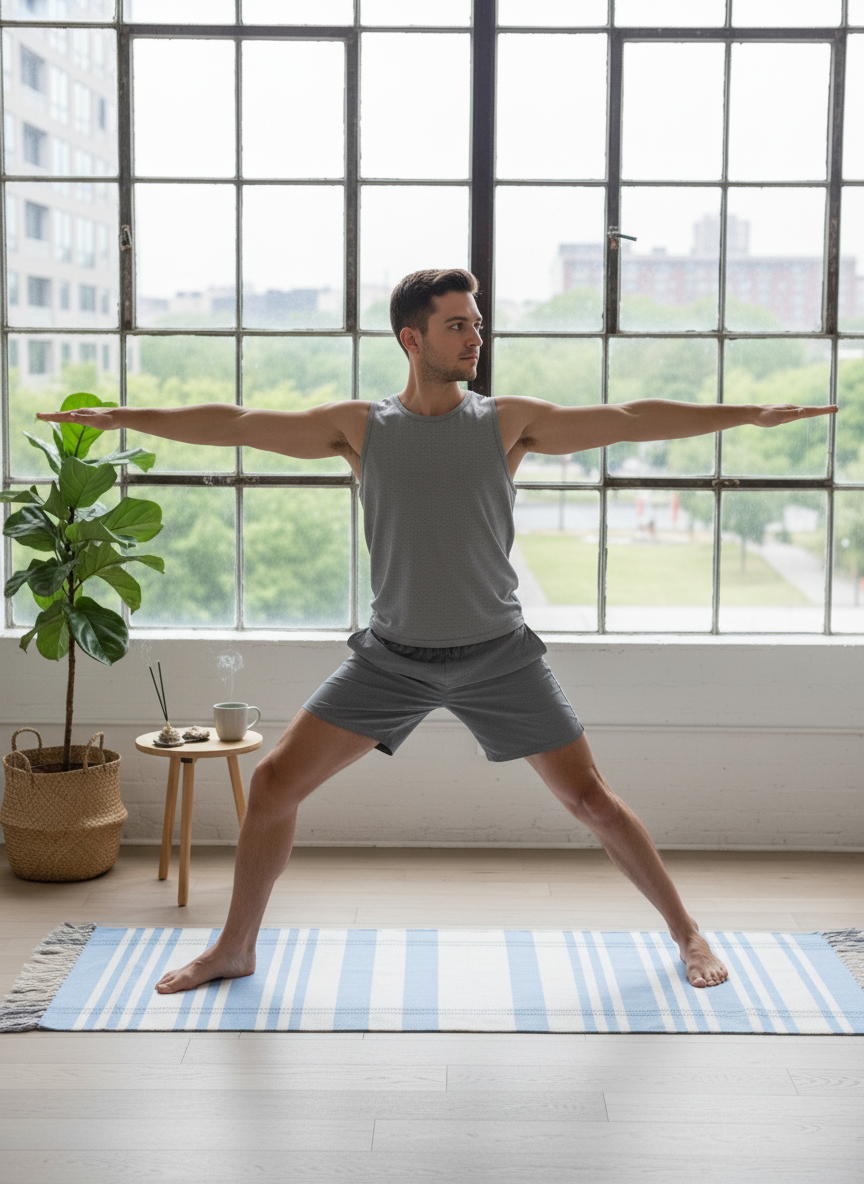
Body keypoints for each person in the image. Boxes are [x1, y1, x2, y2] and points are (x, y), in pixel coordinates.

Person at [42, 267, 837, 994]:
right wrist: (122, 417)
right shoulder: (362, 428)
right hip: (391, 660)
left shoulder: (507, 423)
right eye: (459, 324)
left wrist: (751, 414)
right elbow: (242, 422)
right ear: (412, 338)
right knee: (276, 783)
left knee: (592, 801)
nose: (476, 337)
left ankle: (689, 933)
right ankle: (235, 947)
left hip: (499, 656)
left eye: (477, 323)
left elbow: (629, 419)